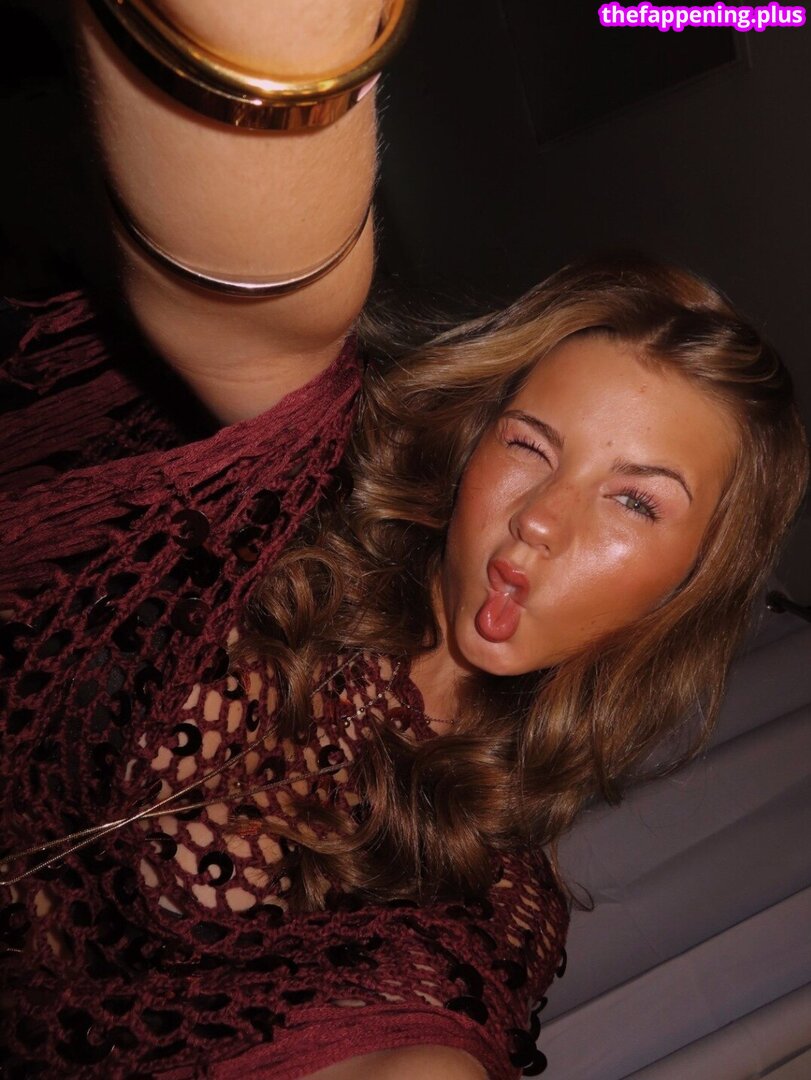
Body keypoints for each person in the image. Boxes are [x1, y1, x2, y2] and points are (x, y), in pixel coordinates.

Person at [0, 3, 808, 1079]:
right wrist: (290, 45)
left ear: (689, 585)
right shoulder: (292, 497)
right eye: (529, 443)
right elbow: (266, 312)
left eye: (635, 502)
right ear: (473, 441)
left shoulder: (477, 899)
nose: (540, 518)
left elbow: (406, 1046)